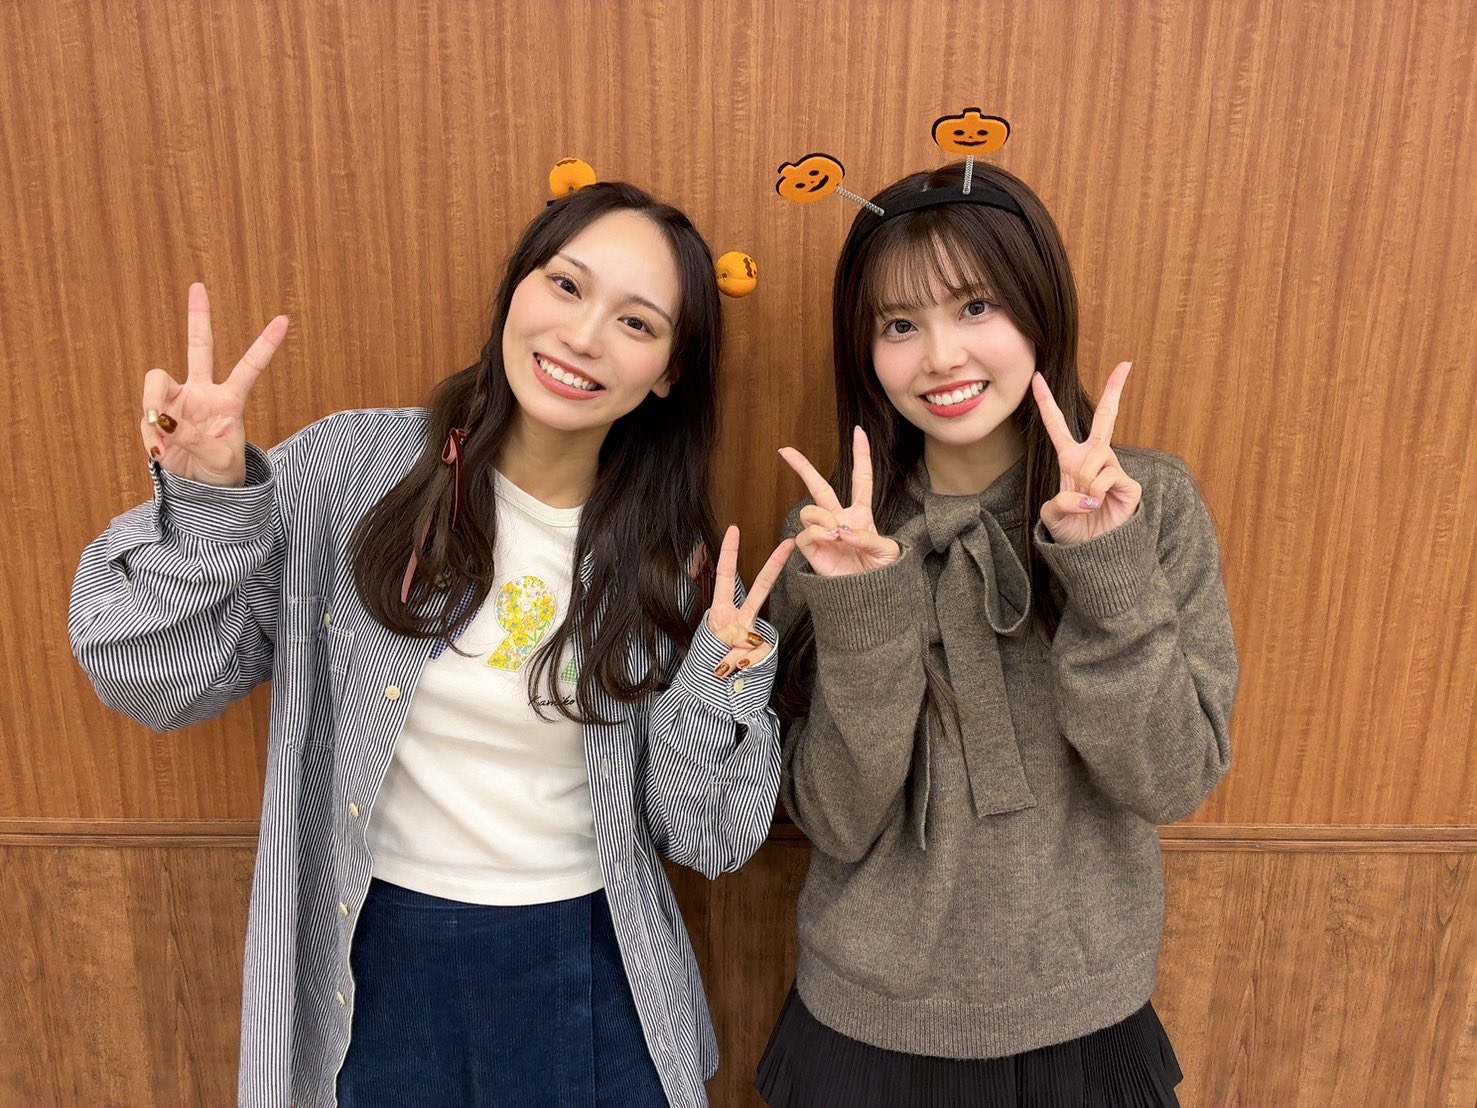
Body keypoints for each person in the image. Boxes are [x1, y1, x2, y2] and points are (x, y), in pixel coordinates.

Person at [70, 180, 792, 1108]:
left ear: (667, 373)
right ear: (516, 289)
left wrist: (728, 679)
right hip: (373, 958)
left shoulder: (669, 559)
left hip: (589, 960)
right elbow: (152, 681)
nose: (582, 336)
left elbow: (705, 839)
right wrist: (209, 502)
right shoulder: (350, 469)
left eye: (636, 323)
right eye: (565, 285)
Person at [757, 160, 1239, 1106]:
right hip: (862, 1022)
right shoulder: (832, 537)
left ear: (1038, 310)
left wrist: (1104, 569)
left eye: (975, 306)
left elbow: (1172, 779)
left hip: (1085, 1017)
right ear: (864, 352)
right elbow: (834, 819)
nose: (940, 356)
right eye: (899, 325)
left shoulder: (1148, 503)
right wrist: (862, 616)